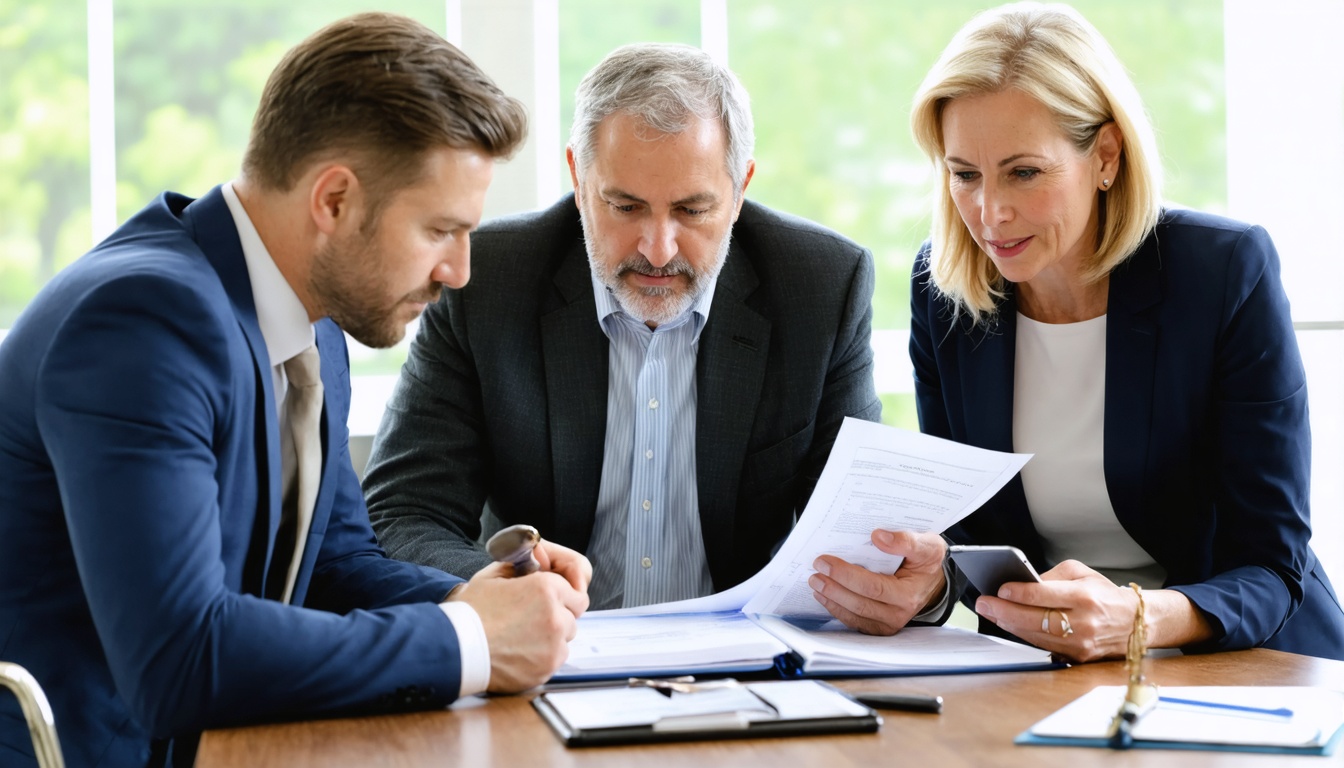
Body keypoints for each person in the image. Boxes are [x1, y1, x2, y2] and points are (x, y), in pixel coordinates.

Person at [0, 13, 591, 767]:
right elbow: (177, 660)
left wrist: (481, 597)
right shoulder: (144, 325)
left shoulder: (312, 322)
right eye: (441, 230)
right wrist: (470, 640)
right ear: (334, 201)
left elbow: (332, 565)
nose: (460, 272)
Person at [807, 1, 1344, 662]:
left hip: (1247, 665)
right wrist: (929, 582)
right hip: (1048, 674)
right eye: (964, 175)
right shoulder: (942, 290)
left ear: (1106, 156)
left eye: (1023, 172)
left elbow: (1273, 565)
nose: (990, 212)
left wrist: (1137, 617)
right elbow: (974, 539)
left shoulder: (1222, 273)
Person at [362, 42, 884, 611]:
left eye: (692, 210)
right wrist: (490, 592)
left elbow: (854, 530)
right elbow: (404, 512)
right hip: (551, 652)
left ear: (740, 192)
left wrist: (917, 590)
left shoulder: (821, 285)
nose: (657, 250)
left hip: (742, 658)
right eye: (625, 206)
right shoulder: (485, 282)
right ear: (579, 181)